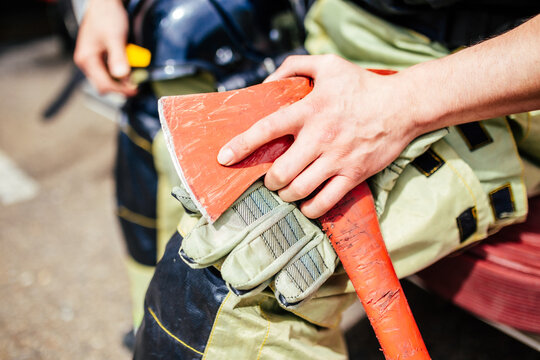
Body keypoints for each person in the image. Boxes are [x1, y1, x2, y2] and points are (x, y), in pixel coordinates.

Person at [78, 0, 540, 359]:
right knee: (162, 80)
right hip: (338, 34)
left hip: (487, 83)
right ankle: (147, 329)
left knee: (228, 289)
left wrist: (401, 105)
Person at [74, 0, 306, 342]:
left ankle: (171, 330)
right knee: (145, 205)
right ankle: (149, 325)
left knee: (218, 243)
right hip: (165, 50)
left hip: (225, 44)